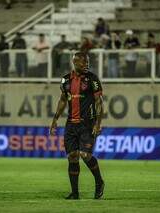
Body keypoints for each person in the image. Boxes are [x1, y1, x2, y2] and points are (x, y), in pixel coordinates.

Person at [49, 52, 105, 200]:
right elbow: (62, 100)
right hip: (71, 125)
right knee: (72, 157)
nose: (86, 64)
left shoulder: (92, 79)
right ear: (75, 63)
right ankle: (75, 193)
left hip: (87, 123)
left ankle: (99, 182)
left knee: (85, 155)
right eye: (83, 62)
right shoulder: (65, 80)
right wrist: (55, 120)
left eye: (87, 62)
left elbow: (99, 102)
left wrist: (98, 124)